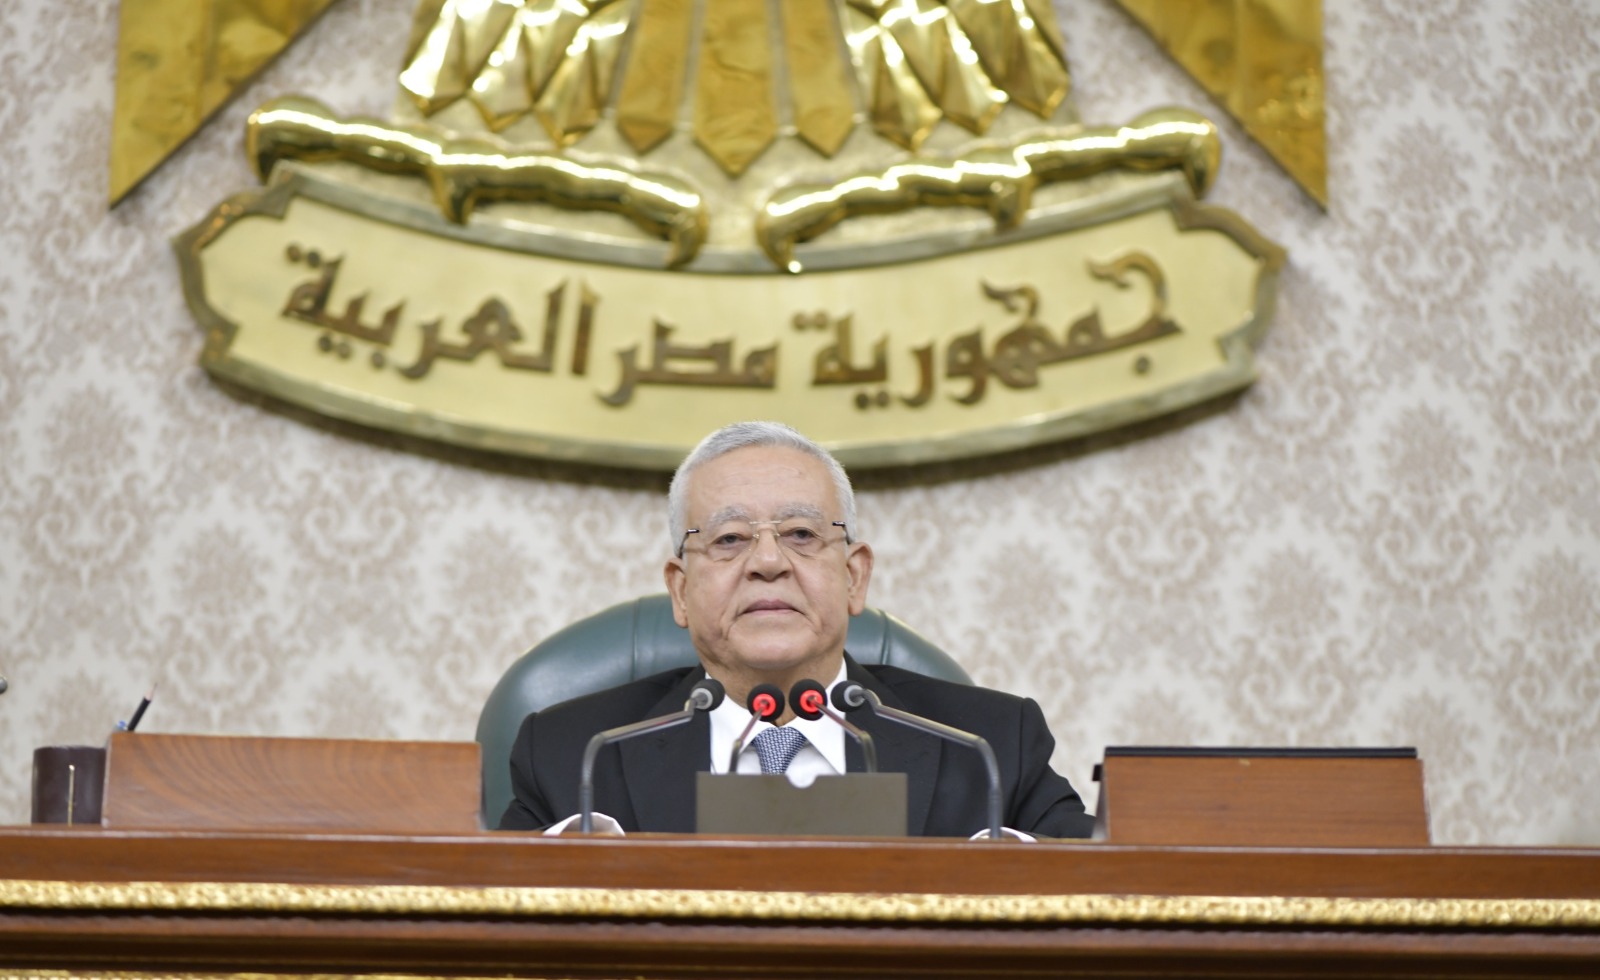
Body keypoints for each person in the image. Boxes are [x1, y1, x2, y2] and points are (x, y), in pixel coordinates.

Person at [498, 421, 1094, 838]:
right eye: (729, 539)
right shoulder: (574, 756)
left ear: (854, 576)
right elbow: (492, 920)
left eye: (802, 535)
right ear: (680, 590)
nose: (767, 561)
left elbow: (1105, 892)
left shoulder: (990, 748)